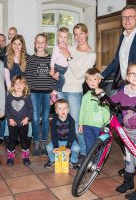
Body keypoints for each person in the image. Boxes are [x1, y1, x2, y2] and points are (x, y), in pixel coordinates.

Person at [98, 63, 136, 200]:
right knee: (128, 159)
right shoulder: (124, 91)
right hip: (127, 132)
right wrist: (104, 98)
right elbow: (114, 100)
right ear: (127, 76)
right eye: (132, 73)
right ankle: (128, 182)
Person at [52, 23, 96, 161]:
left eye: (81, 33)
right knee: (60, 123)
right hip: (61, 90)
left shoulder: (91, 54)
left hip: (74, 92)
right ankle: (64, 150)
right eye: (76, 34)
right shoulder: (70, 47)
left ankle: (85, 153)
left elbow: (79, 74)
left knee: (77, 127)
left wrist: (69, 57)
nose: (78, 37)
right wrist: (54, 74)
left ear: (87, 33)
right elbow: (57, 59)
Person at [101, 5, 136, 93]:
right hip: (123, 86)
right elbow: (117, 61)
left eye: (130, 17)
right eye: (124, 17)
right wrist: (100, 76)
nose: (127, 20)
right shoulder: (122, 37)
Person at [25, 33, 54, 156]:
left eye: (43, 42)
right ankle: (36, 143)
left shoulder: (51, 58)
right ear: (35, 44)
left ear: (46, 44)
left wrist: (53, 92)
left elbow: (53, 76)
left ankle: (43, 144)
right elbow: (28, 76)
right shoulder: (31, 59)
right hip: (34, 93)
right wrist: (29, 91)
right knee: (36, 119)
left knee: (46, 119)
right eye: (38, 42)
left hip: (47, 93)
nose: (40, 44)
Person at [78, 68, 110, 153]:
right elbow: (82, 110)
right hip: (86, 125)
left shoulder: (102, 95)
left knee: (98, 145)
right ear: (86, 81)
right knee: (89, 145)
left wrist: (107, 124)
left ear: (99, 80)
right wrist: (80, 123)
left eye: (95, 79)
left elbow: (106, 109)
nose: (92, 82)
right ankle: (89, 162)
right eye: (89, 80)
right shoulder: (85, 96)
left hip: (98, 125)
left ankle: (97, 163)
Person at [44, 99, 80, 170]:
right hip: (58, 140)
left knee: (76, 148)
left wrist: (69, 147)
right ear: (56, 111)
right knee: (49, 147)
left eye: (65, 108)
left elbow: (72, 134)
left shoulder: (71, 120)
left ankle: (74, 161)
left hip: (69, 140)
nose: (63, 110)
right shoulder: (54, 120)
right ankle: (52, 160)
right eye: (60, 108)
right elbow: (53, 135)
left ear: (68, 110)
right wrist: (55, 146)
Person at [5, 75, 33, 166]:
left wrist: (27, 118)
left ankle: (25, 157)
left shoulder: (26, 96)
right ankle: (10, 157)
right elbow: (6, 109)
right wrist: (10, 118)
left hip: (23, 123)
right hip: (12, 124)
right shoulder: (9, 97)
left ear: (25, 85)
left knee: (24, 141)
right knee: (12, 141)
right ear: (13, 85)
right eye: (17, 84)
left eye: (21, 84)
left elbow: (31, 109)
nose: (19, 86)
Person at [49, 27, 71, 104]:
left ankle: (54, 94)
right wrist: (52, 69)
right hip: (57, 67)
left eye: (65, 37)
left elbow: (70, 59)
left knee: (62, 81)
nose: (63, 39)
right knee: (62, 80)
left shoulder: (69, 47)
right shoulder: (56, 48)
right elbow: (53, 59)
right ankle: (54, 93)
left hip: (65, 69)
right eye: (61, 36)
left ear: (68, 38)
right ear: (58, 37)